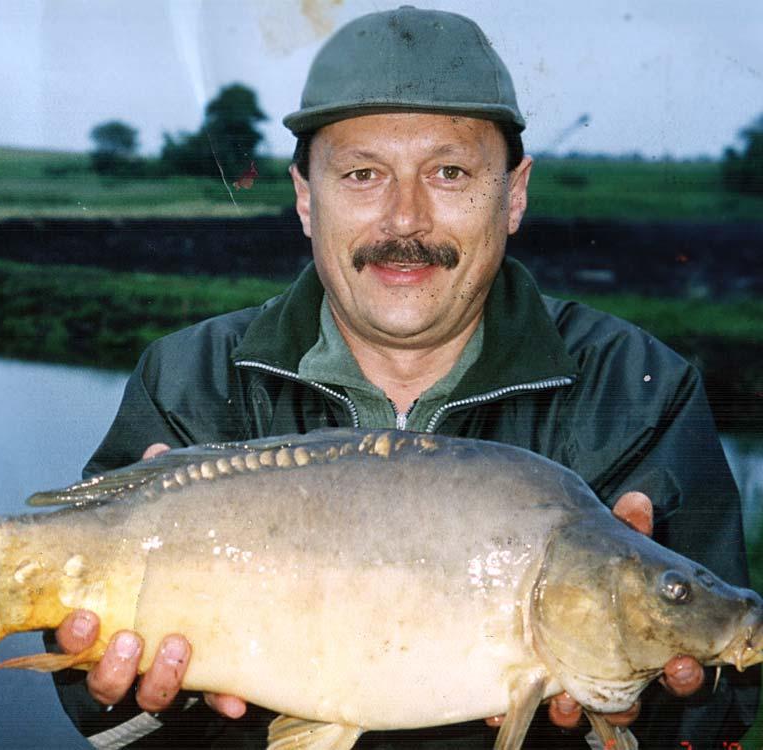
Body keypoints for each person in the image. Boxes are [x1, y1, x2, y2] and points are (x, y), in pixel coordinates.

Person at [45, 7, 759, 748]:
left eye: (449, 172)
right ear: (304, 196)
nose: (404, 219)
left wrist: (642, 695)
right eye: (362, 175)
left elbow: (720, 708)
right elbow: (102, 714)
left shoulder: (636, 388)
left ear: (513, 194)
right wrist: (142, 695)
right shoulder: (189, 380)